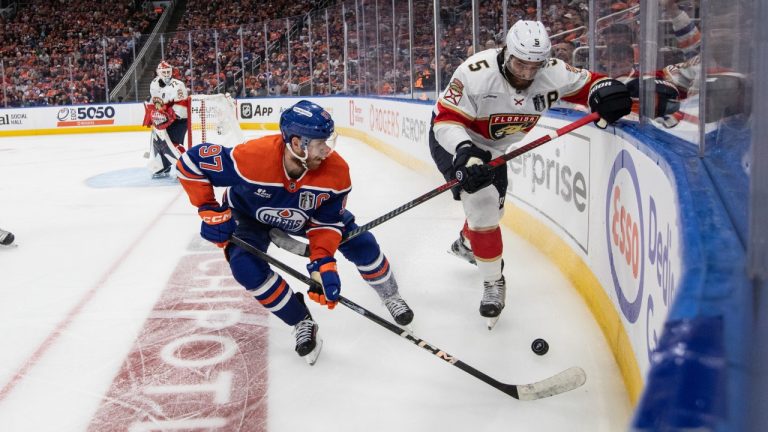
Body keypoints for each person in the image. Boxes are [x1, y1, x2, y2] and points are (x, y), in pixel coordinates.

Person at [175, 100, 414, 364]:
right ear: (297, 143)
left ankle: (390, 294)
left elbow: (327, 223)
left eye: (328, 142)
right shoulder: (252, 157)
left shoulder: (336, 173)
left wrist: (322, 264)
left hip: (304, 216)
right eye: (319, 143)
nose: (326, 151)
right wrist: (208, 210)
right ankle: (301, 320)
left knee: (362, 243)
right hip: (251, 214)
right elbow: (190, 163)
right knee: (245, 268)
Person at [429, 20, 631, 329]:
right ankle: (494, 282)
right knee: (482, 204)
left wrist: (608, 94)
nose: (526, 73)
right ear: (506, 52)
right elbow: (446, 121)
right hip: (456, 139)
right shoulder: (475, 72)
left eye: (533, 66)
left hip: (496, 148)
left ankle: (467, 244)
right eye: (520, 63)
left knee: (491, 212)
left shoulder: (553, 72)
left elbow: (593, 85)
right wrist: (465, 151)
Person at [143, 61, 190, 178]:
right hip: (162, 119)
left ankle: (186, 167)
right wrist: (152, 113)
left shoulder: (177, 85)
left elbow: (182, 106)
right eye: (164, 72)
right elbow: (155, 102)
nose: (167, 74)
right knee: (159, 143)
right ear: (158, 72)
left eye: (169, 72)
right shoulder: (154, 83)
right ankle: (163, 165)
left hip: (178, 121)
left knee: (173, 144)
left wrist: (169, 116)